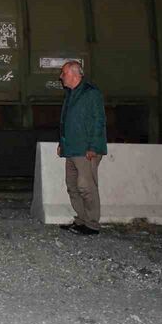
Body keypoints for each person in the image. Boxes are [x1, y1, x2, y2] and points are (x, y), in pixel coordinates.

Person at [57, 60, 108, 236]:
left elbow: (98, 120)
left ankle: (92, 224)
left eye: (63, 73)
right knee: (72, 185)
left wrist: (93, 146)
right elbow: (68, 121)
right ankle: (81, 220)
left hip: (85, 150)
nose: (60, 77)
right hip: (72, 149)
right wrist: (62, 143)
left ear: (74, 73)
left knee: (86, 186)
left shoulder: (90, 93)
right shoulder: (71, 94)